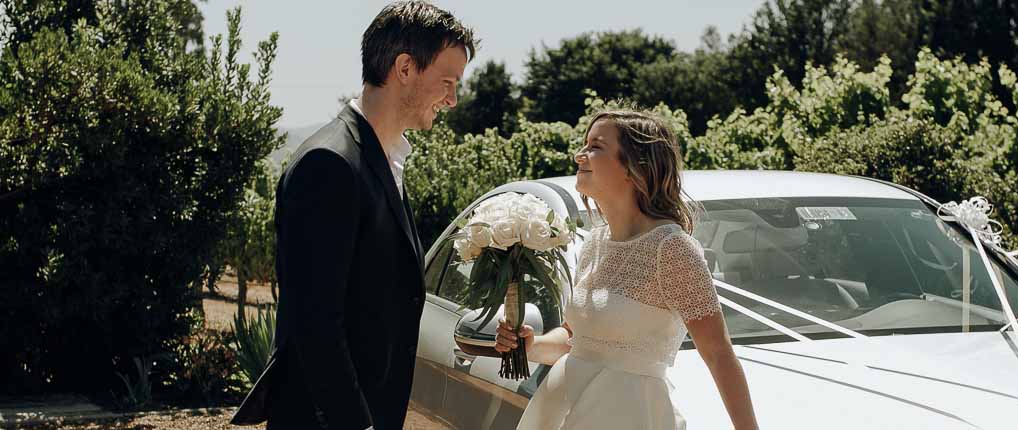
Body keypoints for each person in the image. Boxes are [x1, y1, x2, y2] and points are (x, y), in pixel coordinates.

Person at [231, 3, 476, 429]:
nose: (452, 100)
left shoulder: (386, 158)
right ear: (404, 68)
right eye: (447, 82)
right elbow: (317, 323)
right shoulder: (329, 164)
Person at [495, 108, 759, 429]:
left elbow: (718, 353)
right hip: (561, 405)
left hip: (630, 416)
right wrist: (531, 346)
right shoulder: (595, 242)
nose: (580, 156)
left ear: (634, 168)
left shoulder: (671, 249)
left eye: (595, 147)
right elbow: (578, 338)